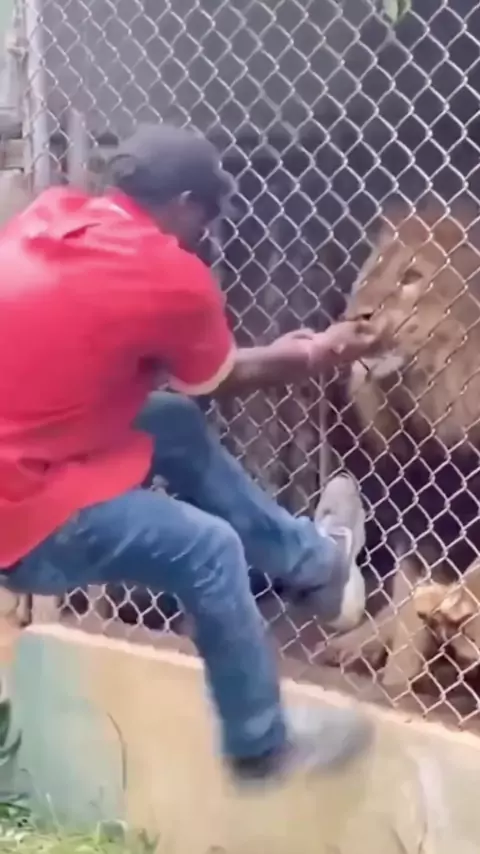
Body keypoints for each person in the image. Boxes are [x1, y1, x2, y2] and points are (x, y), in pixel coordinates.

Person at [0, 124, 380, 785]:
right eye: (206, 213)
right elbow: (217, 379)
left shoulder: (50, 217)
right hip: (23, 521)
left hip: (28, 454)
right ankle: (262, 746)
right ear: (182, 203)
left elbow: (137, 364)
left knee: (171, 423)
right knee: (207, 549)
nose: (207, 230)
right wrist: (311, 354)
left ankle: (313, 565)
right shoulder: (170, 275)